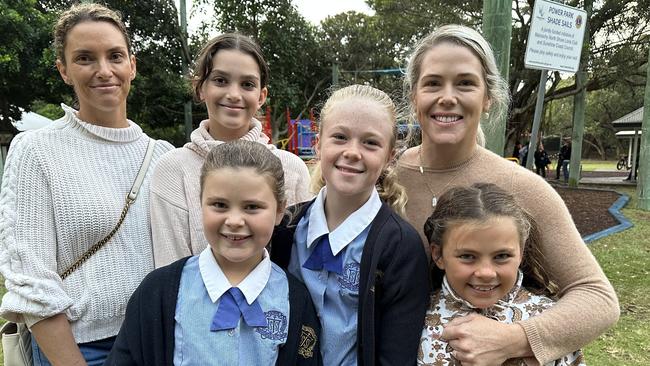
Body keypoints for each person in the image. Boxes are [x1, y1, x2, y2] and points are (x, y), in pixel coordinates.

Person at [397, 24, 618, 365]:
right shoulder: (385, 181)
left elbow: (597, 298)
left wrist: (515, 340)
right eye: (433, 83)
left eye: (466, 83)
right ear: (414, 96)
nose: (448, 97)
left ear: (488, 98)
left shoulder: (522, 188)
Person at [0, 4, 174, 365]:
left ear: (133, 65)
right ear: (63, 70)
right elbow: (31, 280)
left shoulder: (163, 157)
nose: (104, 70)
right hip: (81, 349)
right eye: (84, 58)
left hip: (158, 340)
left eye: (115, 56)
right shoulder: (36, 151)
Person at [106, 140, 321, 365]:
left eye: (252, 207)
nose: (235, 221)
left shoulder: (296, 299)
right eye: (219, 205)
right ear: (201, 204)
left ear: (279, 211)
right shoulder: (156, 293)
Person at [271, 85, 429, 365]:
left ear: (390, 155)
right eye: (340, 137)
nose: (352, 152)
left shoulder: (401, 247)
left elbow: (397, 355)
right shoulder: (284, 229)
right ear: (318, 144)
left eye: (370, 142)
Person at [150, 33, 312, 268]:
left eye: (247, 84)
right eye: (220, 80)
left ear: (261, 95)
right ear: (200, 87)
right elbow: (171, 270)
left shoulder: (291, 169)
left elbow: (300, 263)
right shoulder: (173, 170)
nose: (234, 95)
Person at [418, 183, 585, 365]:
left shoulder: (549, 319)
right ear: (438, 255)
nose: (486, 273)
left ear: (521, 252)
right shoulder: (414, 317)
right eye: (467, 256)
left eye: (502, 256)